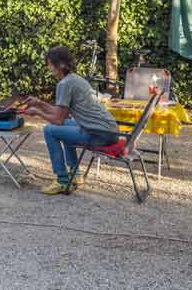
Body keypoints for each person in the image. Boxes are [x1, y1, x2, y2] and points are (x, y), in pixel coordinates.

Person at [22, 46, 120, 195]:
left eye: (50, 64)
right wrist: (39, 103)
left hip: (99, 134)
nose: (49, 68)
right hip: (109, 130)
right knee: (65, 128)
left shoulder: (65, 84)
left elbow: (58, 119)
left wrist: (37, 112)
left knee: (49, 130)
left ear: (60, 65)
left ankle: (62, 180)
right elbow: (61, 114)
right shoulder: (75, 79)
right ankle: (76, 174)